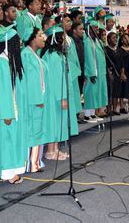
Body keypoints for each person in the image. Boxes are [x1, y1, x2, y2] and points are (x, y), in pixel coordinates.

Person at [0, 25, 26, 184]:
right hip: (5, 111)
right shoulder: (1, 62)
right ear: (9, 43)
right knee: (6, 141)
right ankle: (7, 174)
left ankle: (10, 171)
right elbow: (3, 91)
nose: (20, 44)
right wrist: (7, 114)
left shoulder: (7, 60)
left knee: (9, 141)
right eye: (17, 41)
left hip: (10, 108)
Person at [41, 25, 79, 160]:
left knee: (58, 122)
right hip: (56, 96)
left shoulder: (55, 54)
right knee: (55, 122)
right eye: (60, 38)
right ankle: (51, 151)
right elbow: (57, 79)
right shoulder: (53, 56)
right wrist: (62, 98)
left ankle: (55, 149)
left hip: (57, 94)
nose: (62, 40)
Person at [19, 26, 51, 172]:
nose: (43, 38)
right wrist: (38, 99)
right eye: (40, 35)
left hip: (38, 100)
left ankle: (35, 161)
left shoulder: (34, 55)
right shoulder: (26, 55)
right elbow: (31, 81)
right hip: (33, 101)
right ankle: (32, 163)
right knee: (33, 131)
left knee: (37, 130)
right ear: (32, 39)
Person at [83, 19, 108, 122]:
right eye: (95, 28)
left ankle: (93, 114)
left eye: (98, 29)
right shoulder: (87, 41)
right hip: (91, 72)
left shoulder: (97, 41)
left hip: (100, 72)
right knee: (91, 93)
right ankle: (87, 115)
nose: (97, 31)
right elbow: (88, 59)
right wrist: (91, 73)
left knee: (97, 93)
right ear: (89, 29)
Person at [105, 32, 126, 115]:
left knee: (116, 92)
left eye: (116, 38)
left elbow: (122, 63)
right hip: (109, 73)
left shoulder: (119, 50)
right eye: (113, 38)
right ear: (108, 39)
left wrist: (122, 73)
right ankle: (109, 110)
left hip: (118, 74)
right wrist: (109, 73)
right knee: (110, 92)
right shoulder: (106, 49)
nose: (115, 39)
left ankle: (115, 109)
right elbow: (105, 63)